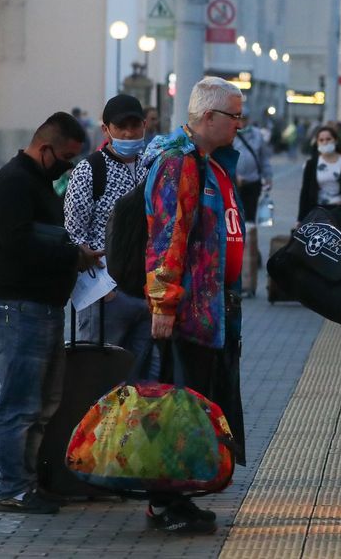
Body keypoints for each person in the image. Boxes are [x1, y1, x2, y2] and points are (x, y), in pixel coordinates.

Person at [141, 77, 246, 534]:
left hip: (212, 311)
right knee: (177, 409)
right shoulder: (178, 164)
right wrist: (163, 303)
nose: (240, 124)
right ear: (208, 117)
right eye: (234, 116)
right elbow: (168, 237)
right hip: (188, 313)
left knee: (198, 407)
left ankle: (183, 496)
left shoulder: (212, 164)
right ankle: (166, 503)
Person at [0, 112, 104, 514]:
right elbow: (18, 246)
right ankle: (13, 489)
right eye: (67, 158)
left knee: (43, 404)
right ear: (45, 148)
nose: (69, 166)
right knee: (20, 405)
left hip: (44, 308)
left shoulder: (39, 181)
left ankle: (29, 483)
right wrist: (72, 254)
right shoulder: (13, 184)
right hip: (19, 309)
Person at [63, 94, 157, 380]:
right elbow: (73, 235)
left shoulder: (153, 167)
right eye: (120, 127)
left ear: (145, 125)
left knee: (144, 381)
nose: (129, 133)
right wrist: (102, 291)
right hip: (104, 298)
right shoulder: (90, 170)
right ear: (106, 130)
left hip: (146, 295)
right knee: (96, 381)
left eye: (134, 125)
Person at [296, 126, 341, 222]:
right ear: (317, 143)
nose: (325, 142)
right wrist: (300, 218)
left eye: (328, 139)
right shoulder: (311, 164)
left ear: (335, 140)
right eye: (321, 140)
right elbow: (305, 191)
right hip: (319, 211)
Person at [234, 108, 273, 216]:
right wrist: (234, 175)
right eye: (239, 119)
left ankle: (250, 231)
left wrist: (268, 176)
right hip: (236, 183)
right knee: (236, 215)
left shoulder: (257, 134)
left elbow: (264, 157)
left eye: (244, 119)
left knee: (250, 216)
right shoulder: (230, 133)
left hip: (253, 181)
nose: (241, 122)